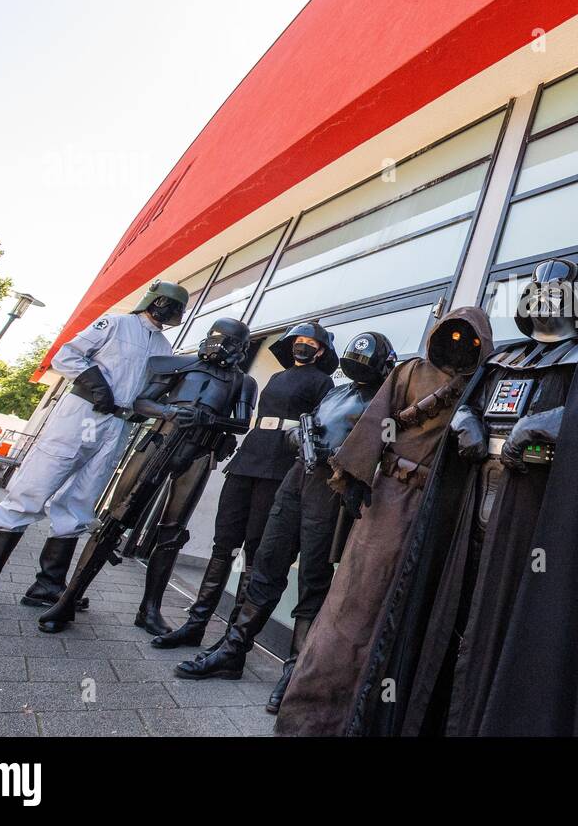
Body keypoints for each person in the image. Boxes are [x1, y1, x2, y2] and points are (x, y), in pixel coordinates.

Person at [374, 258, 578, 737]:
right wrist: (466, 421)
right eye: (540, 293)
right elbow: (469, 402)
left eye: (559, 296)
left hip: (531, 515)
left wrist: (539, 426)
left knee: (511, 616)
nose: (548, 302)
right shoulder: (505, 356)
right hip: (473, 503)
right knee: (459, 608)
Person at [274, 307, 492, 736]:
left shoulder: (483, 385)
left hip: (438, 511)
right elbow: (378, 419)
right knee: (351, 605)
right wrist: (355, 476)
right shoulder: (410, 372)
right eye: (450, 334)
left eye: (468, 339)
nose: (456, 345)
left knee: (405, 611)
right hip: (387, 500)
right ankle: (313, 717)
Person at [172, 331, 397, 713]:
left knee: (313, 580)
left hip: (334, 491)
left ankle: (294, 673)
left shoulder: (385, 402)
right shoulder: (335, 392)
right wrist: (297, 438)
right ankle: (232, 651)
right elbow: (307, 425)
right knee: (267, 564)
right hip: (296, 480)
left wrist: (341, 454)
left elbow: (384, 451)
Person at [0, 281, 187, 614]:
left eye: (176, 307)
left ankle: (48, 585)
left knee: (81, 501)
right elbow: (67, 355)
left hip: (118, 425)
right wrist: (96, 385)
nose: (171, 311)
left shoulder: (165, 348)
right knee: (33, 488)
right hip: (83, 413)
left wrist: (155, 409)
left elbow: (147, 391)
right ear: (154, 301)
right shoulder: (115, 323)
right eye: (168, 303)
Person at [37, 318, 258, 634]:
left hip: (199, 453)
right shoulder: (179, 366)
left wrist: (210, 418)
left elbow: (242, 422)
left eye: (228, 340)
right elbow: (142, 401)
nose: (219, 343)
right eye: (216, 336)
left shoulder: (242, 383)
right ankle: (70, 596)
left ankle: (149, 609)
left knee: (171, 533)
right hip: (158, 443)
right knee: (116, 519)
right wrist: (168, 412)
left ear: (241, 348)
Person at [152, 321, 337, 647]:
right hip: (247, 459)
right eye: (299, 340)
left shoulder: (324, 384)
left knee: (256, 550)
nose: (303, 345)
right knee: (224, 543)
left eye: (311, 342)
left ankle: (231, 639)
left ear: (321, 350)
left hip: (280, 467)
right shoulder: (278, 377)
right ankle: (196, 624)